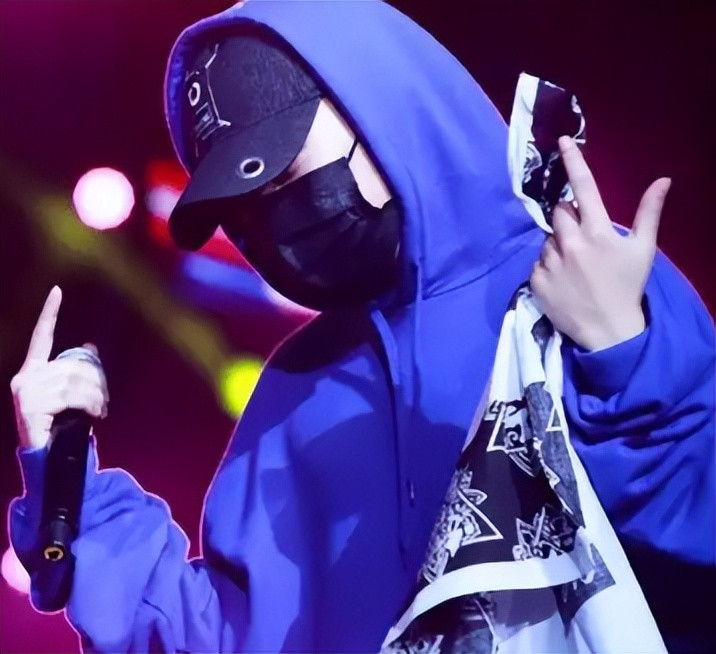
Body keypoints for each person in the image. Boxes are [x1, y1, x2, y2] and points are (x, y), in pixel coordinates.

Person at [9, 1, 714, 652]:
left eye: (281, 169)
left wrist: (623, 358)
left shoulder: (584, 272)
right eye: (243, 202)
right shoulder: (296, 391)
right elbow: (228, 639)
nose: (271, 217)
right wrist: (76, 500)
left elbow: (694, 542)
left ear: (380, 108)